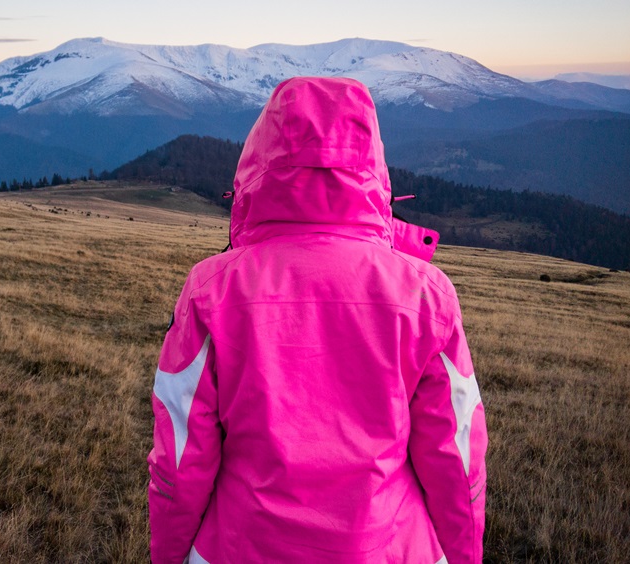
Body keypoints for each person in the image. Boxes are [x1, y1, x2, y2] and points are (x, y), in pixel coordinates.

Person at [147, 77, 487, 563]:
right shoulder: (427, 296)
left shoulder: (210, 290)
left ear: (259, 158)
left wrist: (168, 557)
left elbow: (181, 464)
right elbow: (457, 462)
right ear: (372, 163)